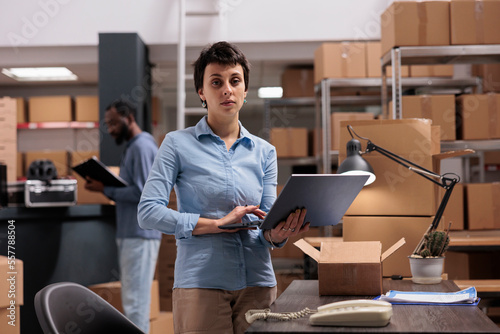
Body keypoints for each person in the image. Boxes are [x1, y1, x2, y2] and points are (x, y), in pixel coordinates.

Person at [137, 41, 310, 334]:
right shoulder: (176, 144)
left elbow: (265, 225)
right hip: (201, 286)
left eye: (234, 81)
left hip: (258, 284)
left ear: (245, 90)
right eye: (216, 82)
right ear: (202, 92)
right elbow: (148, 212)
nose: (226, 89)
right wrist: (215, 224)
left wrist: (278, 234)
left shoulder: (265, 152)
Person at [85, 99, 161, 333]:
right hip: (132, 234)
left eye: (114, 123)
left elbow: (143, 192)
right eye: (107, 125)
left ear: (128, 118)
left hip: (140, 234)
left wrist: (105, 189)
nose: (110, 130)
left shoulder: (142, 147)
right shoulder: (134, 147)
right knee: (133, 302)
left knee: (136, 305)